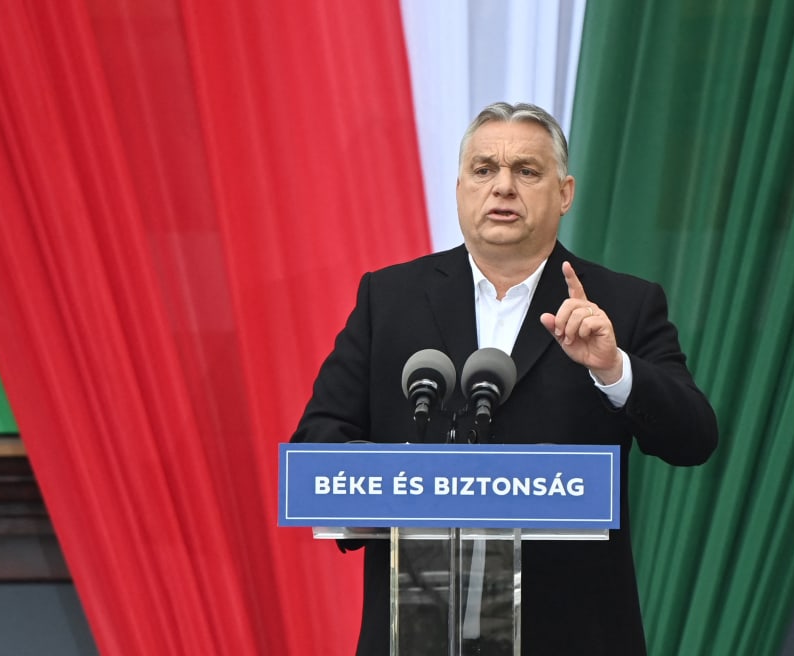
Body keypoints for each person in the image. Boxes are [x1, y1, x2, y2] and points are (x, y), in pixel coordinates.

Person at [291, 102, 718, 655]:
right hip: (419, 626)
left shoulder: (621, 305)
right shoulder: (389, 298)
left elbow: (694, 438)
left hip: (570, 632)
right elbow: (319, 444)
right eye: (484, 169)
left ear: (564, 193)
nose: (503, 188)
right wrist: (406, 486)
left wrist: (615, 370)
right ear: (461, 186)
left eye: (527, 171)